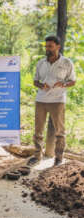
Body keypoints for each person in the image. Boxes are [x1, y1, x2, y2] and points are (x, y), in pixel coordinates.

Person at [33, 35, 76, 166]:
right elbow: (35, 81)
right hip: (41, 100)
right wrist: (41, 85)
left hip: (58, 100)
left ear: (58, 47)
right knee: (38, 131)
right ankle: (36, 156)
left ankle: (58, 158)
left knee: (60, 131)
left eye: (50, 46)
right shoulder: (41, 63)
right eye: (46, 46)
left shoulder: (67, 63)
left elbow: (73, 81)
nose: (47, 49)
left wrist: (62, 83)